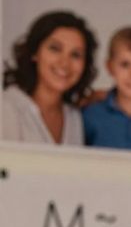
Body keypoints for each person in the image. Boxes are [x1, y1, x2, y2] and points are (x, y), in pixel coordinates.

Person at [1, 10, 97, 145]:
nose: (64, 63)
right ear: (35, 53)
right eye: (55, 48)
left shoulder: (74, 117)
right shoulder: (7, 108)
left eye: (75, 55)